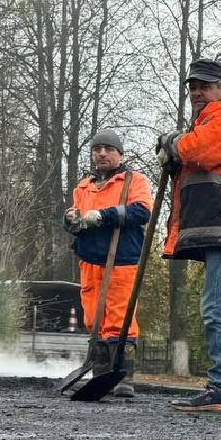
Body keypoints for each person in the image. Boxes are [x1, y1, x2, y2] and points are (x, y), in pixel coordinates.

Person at [156, 59, 221, 414]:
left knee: (220, 308)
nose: (198, 93)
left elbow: (195, 150)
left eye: (205, 86)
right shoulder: (215, 120)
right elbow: (193, 155)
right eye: (193, 87)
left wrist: (172, 142)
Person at [64, 129, 151, 399]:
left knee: (120, 318)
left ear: (119, 154)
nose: (101, 153)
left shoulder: (133, 181)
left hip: (121, 259)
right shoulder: (83, 186)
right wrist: (71, 221)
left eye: (108, 149)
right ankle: (100, 376)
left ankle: (124, 377)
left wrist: (102, 216)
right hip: (90, 260)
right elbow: (77, 219)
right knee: (93, 319)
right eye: (97, 149)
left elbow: (142, 211)